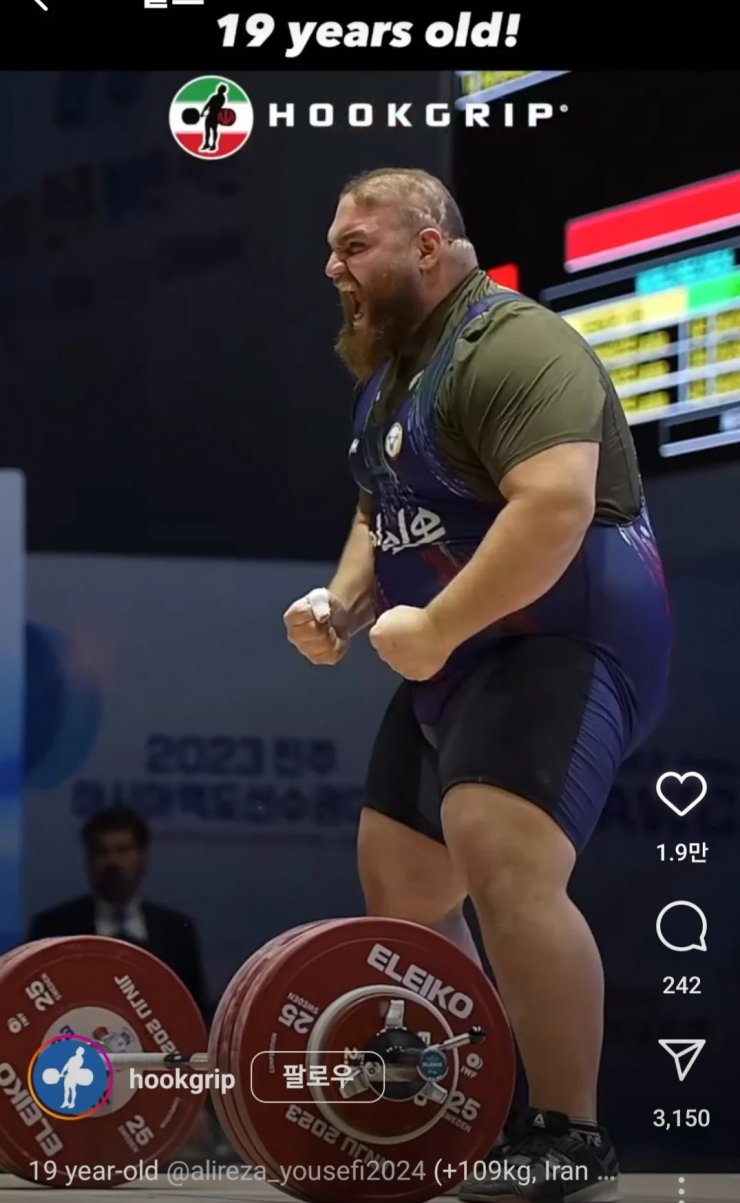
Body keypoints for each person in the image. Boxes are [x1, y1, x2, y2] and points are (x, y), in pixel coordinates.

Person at [283, 167, 671, 1200]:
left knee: (501, 857)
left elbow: (551, 506)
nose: (332, 265)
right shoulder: (392, 380)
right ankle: (484, 1113)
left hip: (565, 634)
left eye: (352, 243)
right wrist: (341, 604)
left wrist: (441, 623)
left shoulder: (516, 344)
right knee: (401, 885)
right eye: (330, 246)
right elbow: (383, 507)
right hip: (455, 652)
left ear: (426, 244)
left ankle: (569, 1132)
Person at [27, 806, 208, 1021]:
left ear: (142, 857)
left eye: (123, 850)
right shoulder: (53, 929)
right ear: (88, 860)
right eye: (102, 852)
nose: (113, 862)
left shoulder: (177, 931)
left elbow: (194, 1016)